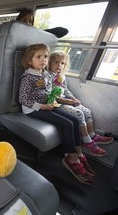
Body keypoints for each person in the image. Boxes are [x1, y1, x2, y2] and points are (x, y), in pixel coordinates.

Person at [19, 43, 94, 185]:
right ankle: (71, 159)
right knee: (66, 124)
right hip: (33, 109)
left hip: (49, 104)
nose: (43, 60)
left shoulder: (46, 74)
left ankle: (78, 154)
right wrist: (42, 106)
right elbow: (23, 99)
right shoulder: (28, 77)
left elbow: (49, 92)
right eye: (38, 57)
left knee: (75, 121)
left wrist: (61, 100)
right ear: (30, 60)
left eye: (45, 57)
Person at [48, 52, 113, 156]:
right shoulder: (47, 76)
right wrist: (67, 101)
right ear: (49, 62)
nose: (59, 65)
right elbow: (50, 94)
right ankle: (86, 141)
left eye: (62, 63)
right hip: (55, 103)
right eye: (56, 62)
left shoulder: (61, 76)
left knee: (86, 111)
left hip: (65, 99)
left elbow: (65, 90)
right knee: (79, 113)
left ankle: (92, 135)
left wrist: (74, 99)